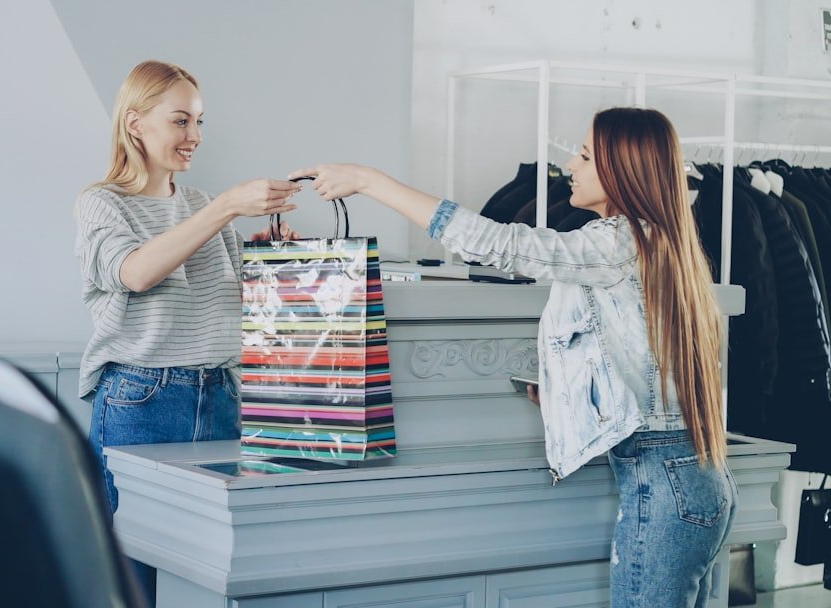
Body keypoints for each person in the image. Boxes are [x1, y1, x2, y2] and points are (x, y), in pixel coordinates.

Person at [290, 107, 736, 608]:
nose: (571, 165)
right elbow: (638, 353)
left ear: (623, 170)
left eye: (585, 156)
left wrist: (369, 181)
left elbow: (497, 244)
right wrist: (566, 390)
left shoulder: (617, 242)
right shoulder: (657, 241)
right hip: (692, 475)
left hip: (664, 481)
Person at [73, 60, 300, 605]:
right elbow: (135, 272)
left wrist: (270, 257)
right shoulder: (102, 203)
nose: (194, 135)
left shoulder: (200, 205)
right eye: (180, 121)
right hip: (141, 402)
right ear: (135, 123)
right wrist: (226, 208)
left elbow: (240, 301)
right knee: (130, 578)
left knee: (205, 572)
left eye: (199, 121)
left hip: (221, 394)